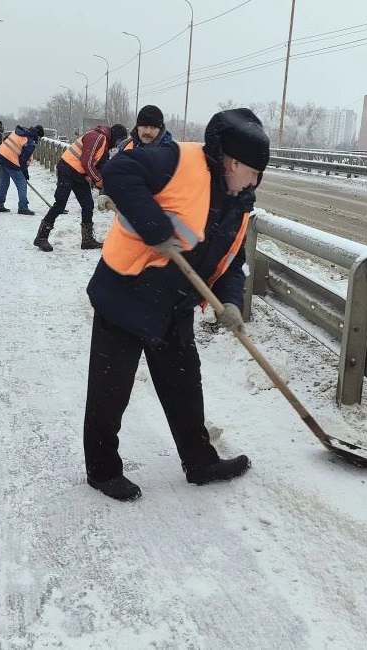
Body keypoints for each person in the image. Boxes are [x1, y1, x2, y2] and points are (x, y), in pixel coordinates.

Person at [82, 108, 270, 501]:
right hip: (127, 292)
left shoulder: (239, 201)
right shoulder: (178, 160)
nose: (255, 182)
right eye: (253, 173)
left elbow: (232, 258)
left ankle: (200, 462)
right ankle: (102, 471)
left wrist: (230, 302)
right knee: (110, 390)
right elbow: (118, 173)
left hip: (174, 304)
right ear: (233, 163)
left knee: (184, 386)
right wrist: (156, 228)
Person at [32, 123, 128, 252]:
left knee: (87, 205)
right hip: (67, 169)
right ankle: (41, 237)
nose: (117, 145)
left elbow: (101, 165)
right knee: (60, 204)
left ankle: (87, 240)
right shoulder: (98, 137)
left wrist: (106, 181)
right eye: (118, 141)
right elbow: (86, 162)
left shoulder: (105, 144)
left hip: (79, 174)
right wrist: (98, 179)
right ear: (115, 136)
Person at [0, 124, 43, 215]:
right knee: (22, 183)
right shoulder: (29, 142)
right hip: (10, 160)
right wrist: (25, 173)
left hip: (1, 155)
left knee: (4, 182)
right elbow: (23, 160)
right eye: (39, 138)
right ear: (37, 135)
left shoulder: (19, 131)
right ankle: (23, 207)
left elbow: (5, 140)